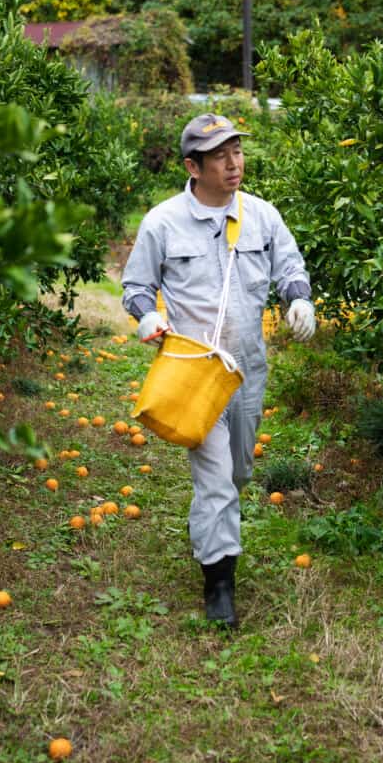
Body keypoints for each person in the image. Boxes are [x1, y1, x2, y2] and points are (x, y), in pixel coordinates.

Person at [121, 113, 316, 628]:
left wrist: (299, 299)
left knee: (238, 472)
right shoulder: (162, 222)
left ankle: (207, 532)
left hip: (247, 370)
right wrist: (148, 316)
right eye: (220, 157)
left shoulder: (263, 217)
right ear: (193, 166)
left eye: (237, 152)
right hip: (193, 372)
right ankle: (220, 586)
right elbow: (136, 286)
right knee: (215, 480)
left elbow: (290, 266)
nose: (234, 164)